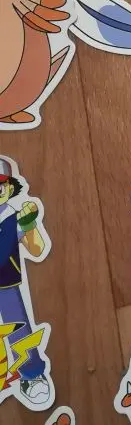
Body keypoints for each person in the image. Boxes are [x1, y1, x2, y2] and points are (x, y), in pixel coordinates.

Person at [0, 157, 50, 405]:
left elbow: (38, 249)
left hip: (6, 285)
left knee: (18, 329)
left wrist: (30, 225)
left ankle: (31, 375)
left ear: (9, 187)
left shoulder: (13, 217)